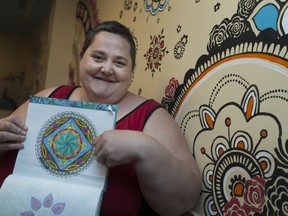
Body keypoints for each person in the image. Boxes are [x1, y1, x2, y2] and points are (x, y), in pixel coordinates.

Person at [0, 20, 201, 216]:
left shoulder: (150, 116)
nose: (106, 69)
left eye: (120, 62)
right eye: (98, 57)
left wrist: (144, 147)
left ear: (132, 72)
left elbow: (185, 200)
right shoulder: (49, 97)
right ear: (81, 58)